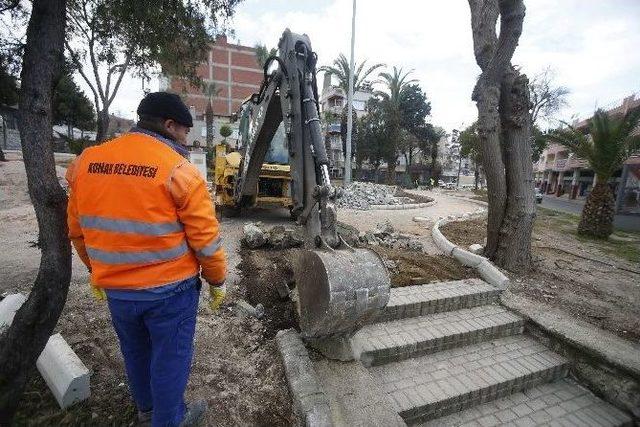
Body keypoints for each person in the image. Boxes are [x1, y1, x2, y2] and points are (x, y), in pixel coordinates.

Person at [66, 92, 227, 426]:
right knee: (169, 363)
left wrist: (96, 270)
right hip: (170, 293)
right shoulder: (179, 170)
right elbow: (206, 241)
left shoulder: (86, 162)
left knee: (136, 353)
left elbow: (78, 231)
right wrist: (217, 280)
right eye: (185, 132)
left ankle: (147, 412)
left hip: (117, 292)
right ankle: (170, 421)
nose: (186, 140)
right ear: (169, 125)